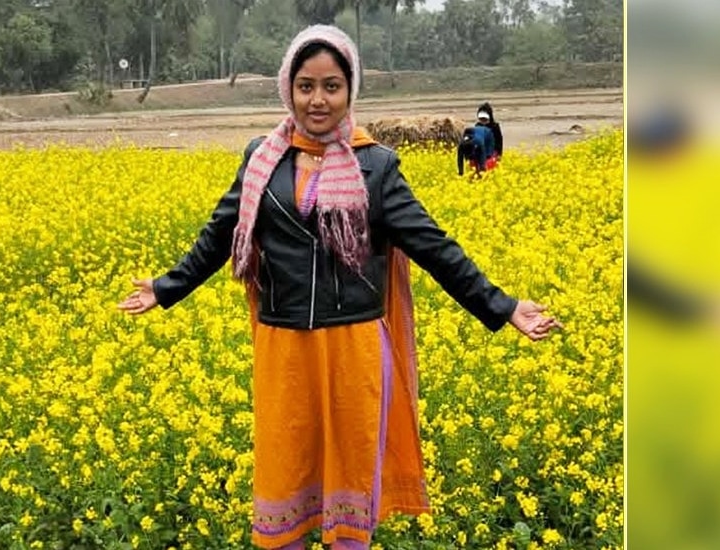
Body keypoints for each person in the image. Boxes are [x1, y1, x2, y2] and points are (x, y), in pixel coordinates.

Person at [118, 25, 562, 550]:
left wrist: (503, 306)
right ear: (288, 89)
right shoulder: (262, 159)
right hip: (284, 349)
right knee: (285, 481)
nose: (318, 100)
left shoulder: (376, 166)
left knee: (350, 498)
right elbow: (219, 235)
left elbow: (433, 246)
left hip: (354, 350)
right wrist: (167, 287)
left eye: (331, 86)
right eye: (306, 86)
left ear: (350, 89)